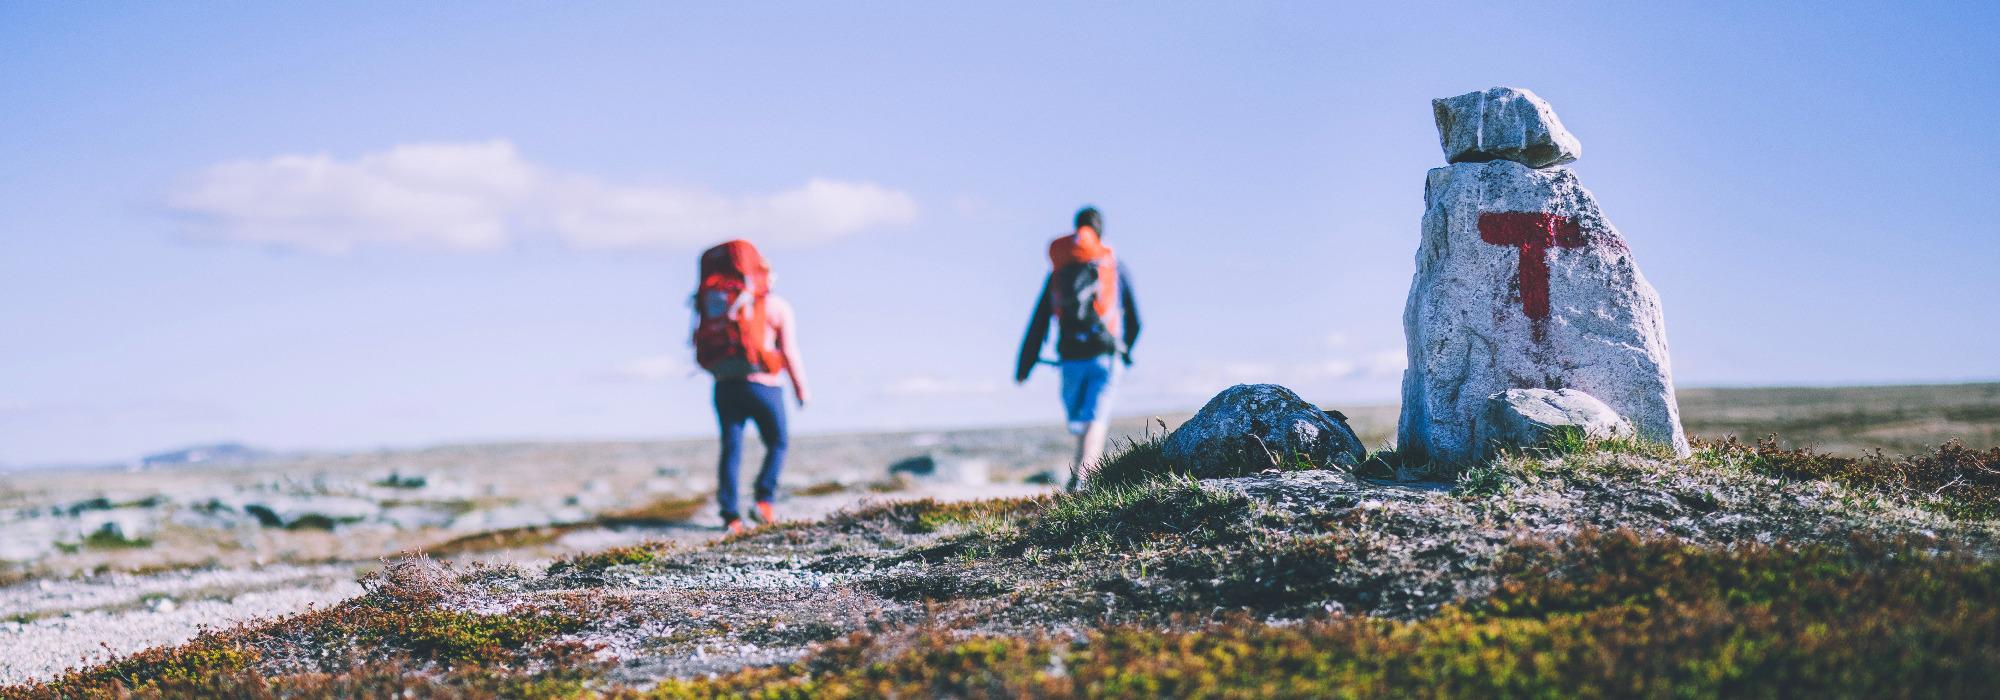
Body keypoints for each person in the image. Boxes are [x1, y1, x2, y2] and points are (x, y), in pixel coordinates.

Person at [1015, 206, 1141, 490]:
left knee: (1082, 422)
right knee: (1094, 422)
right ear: (1101, 231)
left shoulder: (1059, 272)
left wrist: (1025, 364)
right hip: (1105, 357)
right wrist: (1126, 350)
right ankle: (1082, 478)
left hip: (1070, 359)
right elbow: (1136, 319)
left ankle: (1081, 475)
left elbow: (1039, 321)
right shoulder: (1113, 266)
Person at [691, 240, 811, 534]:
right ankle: (764, 501)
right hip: (764, 387)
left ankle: (731, 517)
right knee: (777, 442)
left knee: (731, 448)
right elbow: (789, 351)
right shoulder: (777, 306)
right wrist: (801, 390)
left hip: (724, 386)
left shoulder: (719, 303)